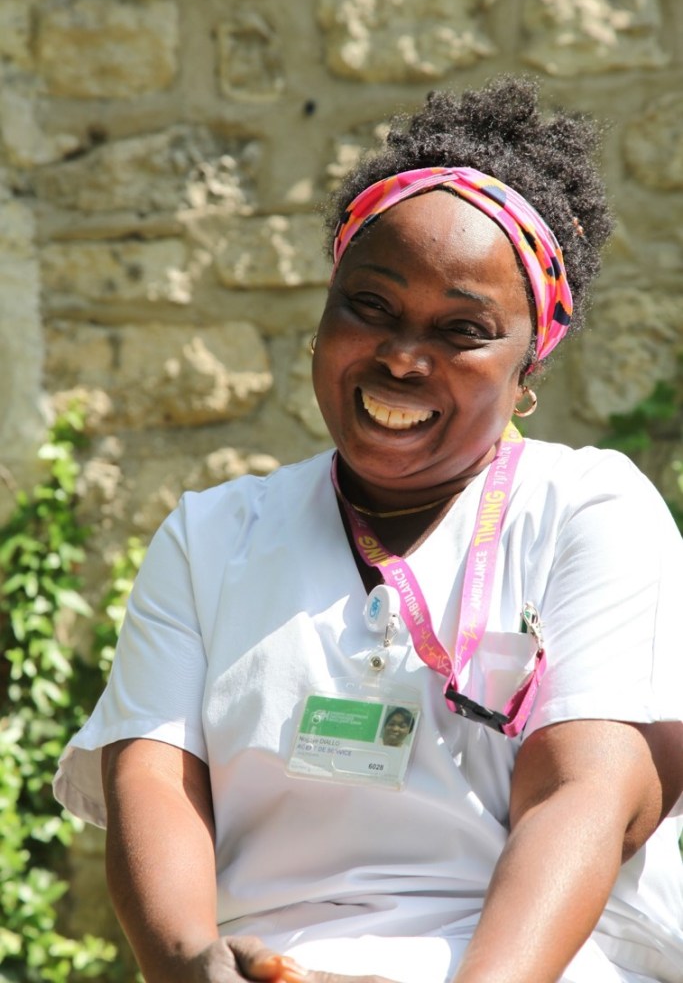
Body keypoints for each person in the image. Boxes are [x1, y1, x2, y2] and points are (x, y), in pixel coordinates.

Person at [54, 75, 683, 983]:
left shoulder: (587, 512)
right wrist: (195, 975)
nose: (399, 355)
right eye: (369, 306)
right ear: (324, 311)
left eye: (462, 330)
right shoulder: (212, 534)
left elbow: (590, 792)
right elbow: (152, 781)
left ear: (527, 363)